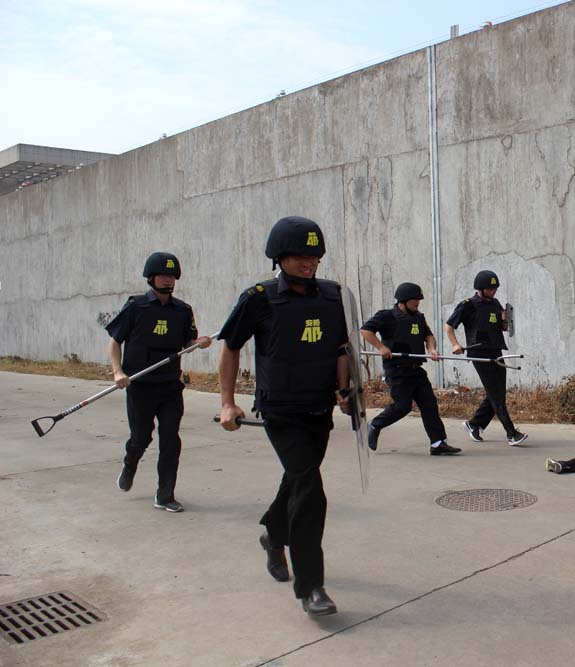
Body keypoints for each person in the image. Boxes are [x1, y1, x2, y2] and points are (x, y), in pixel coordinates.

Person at [217, 216, 350, 617]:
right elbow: (230, 346)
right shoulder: (259, 298)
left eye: (315, 256)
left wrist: (345, 390)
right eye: (299, 256)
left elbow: (341, 348)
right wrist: (227, 402)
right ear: (279, 257)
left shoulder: (332, 296)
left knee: (296, 480)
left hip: (319, 409)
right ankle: (312, 587)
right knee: (310, 490)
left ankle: (273, 536)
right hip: (281, 411)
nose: (309, 263)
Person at [106, 252, 212, 513]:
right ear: (151, 277)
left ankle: (165, 495)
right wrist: (118, 372)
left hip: (170, 386)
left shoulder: (183, 311)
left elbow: (187, 342)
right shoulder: (136, 307)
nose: (168, 280)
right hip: (140, 385)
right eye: (163, 275)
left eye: (172, 276)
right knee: (141, 438)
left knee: (170, 440)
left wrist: (197, 343)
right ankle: (130, 463)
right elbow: (115, 342)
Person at [361, 283, 461, 455]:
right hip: (397, 370)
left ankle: (438, 443)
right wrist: (381, 347)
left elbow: (428, 336)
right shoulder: (387, 316)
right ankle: (376, 424)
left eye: (418, 301)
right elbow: (365, 331)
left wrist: (432, 349)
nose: (417, 303)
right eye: (414, 300)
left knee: (429, 404)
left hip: (416, 369)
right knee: (402, 407)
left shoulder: (419, 318)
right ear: (403, 301)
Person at [444, 270, 527, 446]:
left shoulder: (495, 303)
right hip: (479, 353)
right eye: (490, 289)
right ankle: (511, 433)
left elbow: (501, 327)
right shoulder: (467, 305)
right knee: (496, 395)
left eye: (495, 289)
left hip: (496, 350)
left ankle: (474, 424)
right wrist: (455, 345)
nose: (493, 292)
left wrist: (504, 320)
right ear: (480, 289)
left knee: (498, 393)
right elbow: (449, 326)